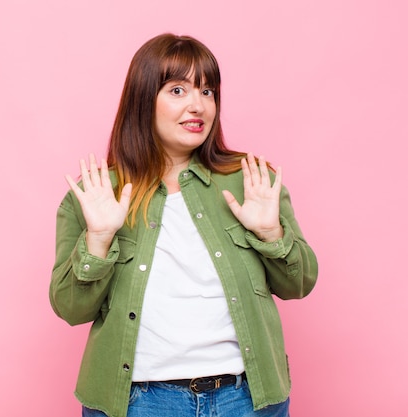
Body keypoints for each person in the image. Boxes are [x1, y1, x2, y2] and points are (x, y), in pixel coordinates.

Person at [49, 33, 318, 417]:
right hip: (137, 403)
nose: (198, 106)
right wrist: (98, 239)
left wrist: (271, 234)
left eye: (208, 92)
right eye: (178, 90)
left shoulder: (251, 182)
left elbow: (300, 284)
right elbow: (70, 309)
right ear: (144, 100)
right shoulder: (98, 194)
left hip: (245, 400)